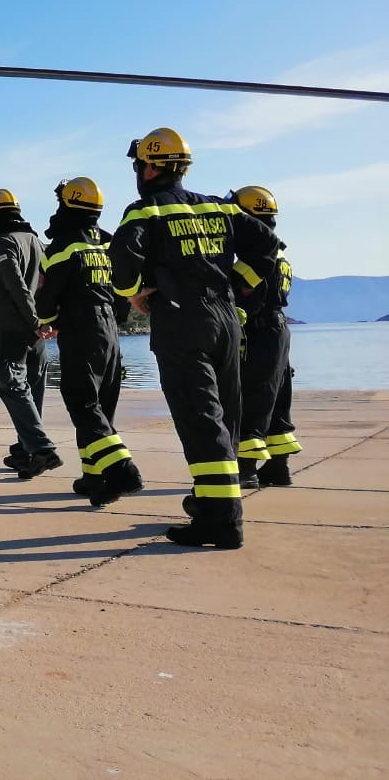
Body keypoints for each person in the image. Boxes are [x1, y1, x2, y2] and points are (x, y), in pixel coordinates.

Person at [110, 127, 278, 549]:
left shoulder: (144, 211)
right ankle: (211, 503)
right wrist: (239, 284)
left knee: (200, 418)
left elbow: (122, 267)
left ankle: (222, 521)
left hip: (183, 319)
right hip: (225, 317)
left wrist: (134, 295)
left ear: (149, 168)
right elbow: (268, 245)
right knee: (226, 414)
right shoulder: (219, 207)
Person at [37, 177, 143, 506]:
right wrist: (116, 317)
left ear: (65, 205)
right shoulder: (109, 243)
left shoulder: (61, 248)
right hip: (110, 328)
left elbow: (46, 296)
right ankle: (95, 479)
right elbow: (126, 284)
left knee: (82, 403)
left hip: (80, 328)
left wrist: (47, 321)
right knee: (101, 407)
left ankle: (121, 469)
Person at [0, 189, 63, 479]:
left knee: (10, 382)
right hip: (36, 332)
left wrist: (35, 320)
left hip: (14, 326)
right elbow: (48, 284)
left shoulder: (3, 243)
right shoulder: (37, 242)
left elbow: (16, 286)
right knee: (33, 388)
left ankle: (40, 449)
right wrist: (48, 320)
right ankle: (27, 451)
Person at [232, 185, 301, 488]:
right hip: (278, 329)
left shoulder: (257, 257)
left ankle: (245, 469)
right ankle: (278, 467)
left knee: (252, 399)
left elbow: (241, 292)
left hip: (258, 331)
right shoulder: (280, 253)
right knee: (278, 399)